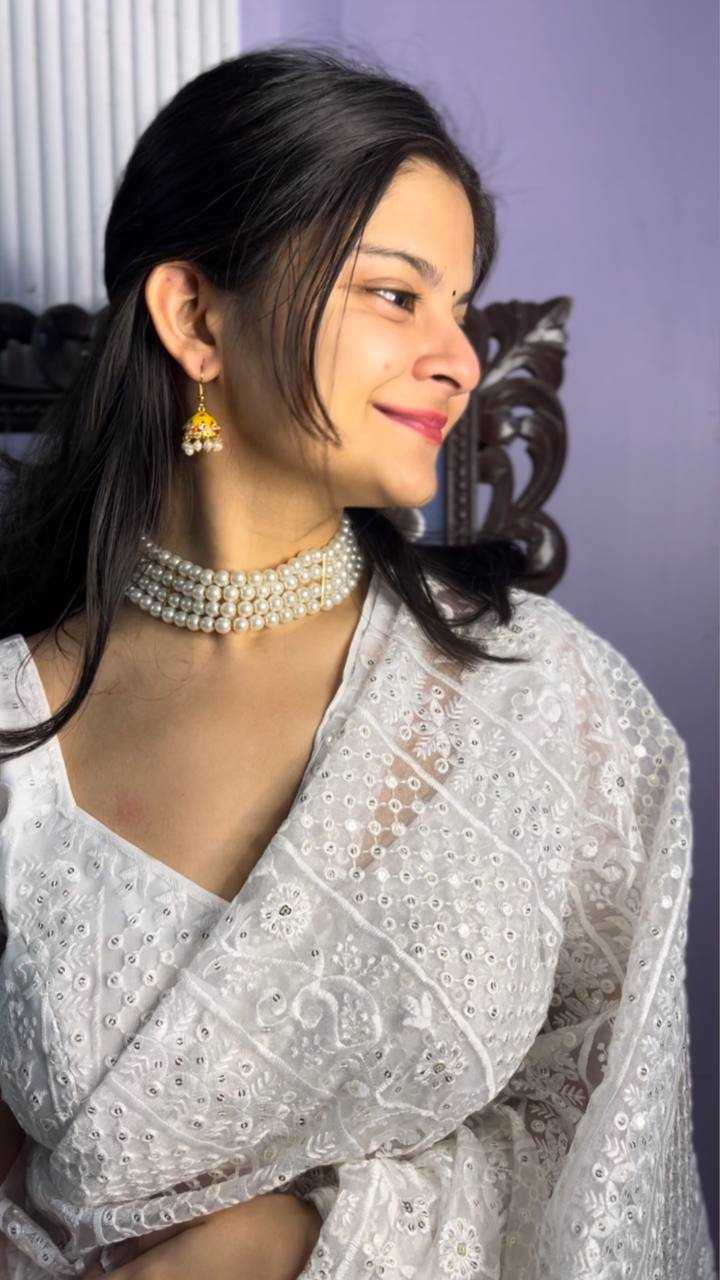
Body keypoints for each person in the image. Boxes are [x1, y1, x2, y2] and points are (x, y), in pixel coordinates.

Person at [0, 42, 715, 1280]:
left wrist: (290, 1239)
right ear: (195, 317)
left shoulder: (553, 705)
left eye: (461, 306)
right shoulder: (16, 731)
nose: (461, 356)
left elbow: (612, 1138)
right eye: (396, 294)